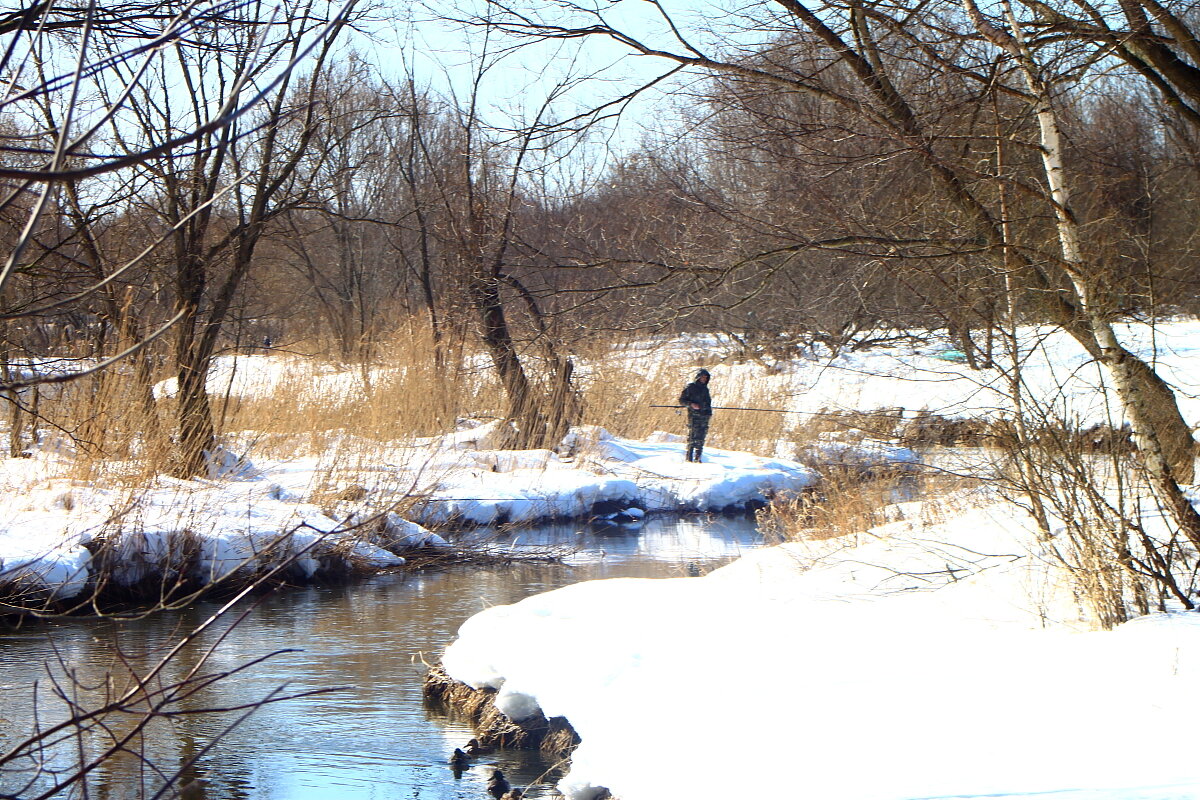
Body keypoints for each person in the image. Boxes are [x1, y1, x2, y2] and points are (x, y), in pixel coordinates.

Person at [678, 368, 712, 462]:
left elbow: (707, 403)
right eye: (703, 377)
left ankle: (698, 458)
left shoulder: (705, 389)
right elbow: (682, 400)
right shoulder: (690, 387)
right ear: (698, 377)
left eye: (706, 377)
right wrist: (691, 404)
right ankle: (689, 457)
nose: (704, 379)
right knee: (692, 436)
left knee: (701, 437)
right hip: (694, 416)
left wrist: (708, 412)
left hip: (705, 416)